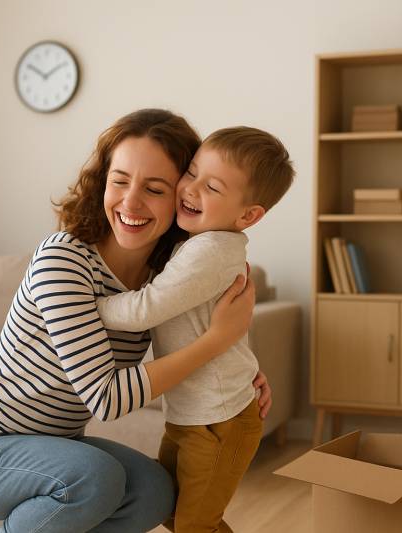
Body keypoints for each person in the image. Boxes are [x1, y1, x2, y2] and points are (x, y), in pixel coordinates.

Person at [0, 109, 272, 533]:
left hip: (57, 446)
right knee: (95, 477)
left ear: (182, 196)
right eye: (119, 181)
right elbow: (107, 399)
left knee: (155, 490)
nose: (131, 202)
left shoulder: (164, 276)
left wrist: (241, 371)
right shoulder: (63, 260)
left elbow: (205, 325)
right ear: (103, 182)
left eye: (155, 188)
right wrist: (216, 341)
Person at [96, 126, 295, 532]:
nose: (190, 189)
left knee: (193, 523)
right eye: (191, 172)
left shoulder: (209, 251)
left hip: (218, 422)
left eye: (213, 187)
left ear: (248, 215)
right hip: (197, 415)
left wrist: (78, 304)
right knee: (176, 513)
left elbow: (144, 309)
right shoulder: (199, 242)